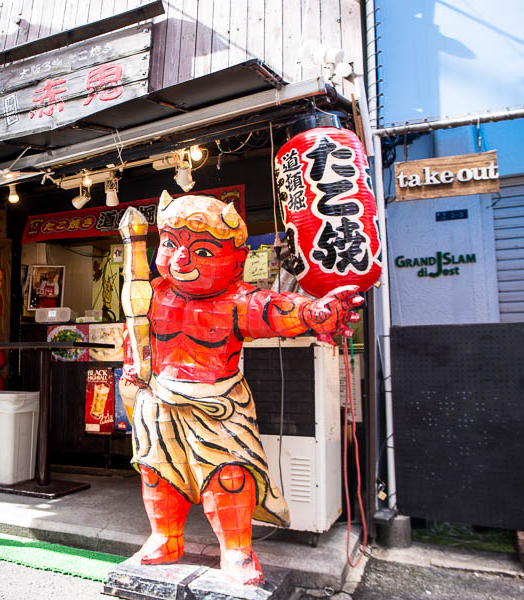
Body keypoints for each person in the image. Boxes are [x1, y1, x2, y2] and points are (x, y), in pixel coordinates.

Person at [118, 192, 363, 586]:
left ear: (235, 259)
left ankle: (236, 548)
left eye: (200, 251)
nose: (181, 261)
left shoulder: (237, 300)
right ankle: (165, 537)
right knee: (156, 474)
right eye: (171, 245)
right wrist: (132, 364)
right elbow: (135, 332)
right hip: (160, 398)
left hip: (219, 406)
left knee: (229, 476)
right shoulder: (153, 293)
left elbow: (279, 310)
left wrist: (317, 312)